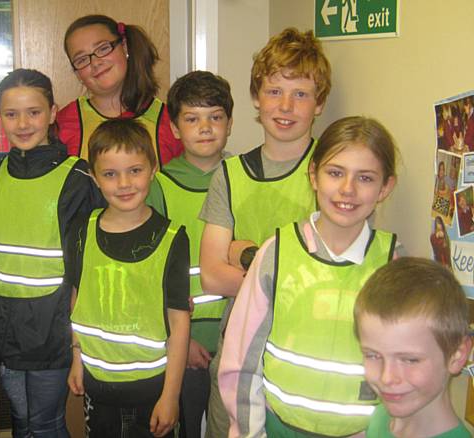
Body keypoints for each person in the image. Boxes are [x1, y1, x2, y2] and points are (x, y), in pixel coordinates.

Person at [219, 116, 402, 437]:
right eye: (335, 173)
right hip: (279, 429)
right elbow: (242, 360)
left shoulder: (391, 265)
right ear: (314, 175)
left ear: (385, 187)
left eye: (365, 178)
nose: (348, 189)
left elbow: (399, 368)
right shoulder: (276, 253)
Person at [198, 27, 332, 436]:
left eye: (301, 94)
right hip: (237, 351)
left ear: (319, 103)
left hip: (302, 354)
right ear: (256, 97)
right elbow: (210, 276)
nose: (286, 105)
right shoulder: (231, 174)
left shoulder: (333, 175)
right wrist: (280, 275)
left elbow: (328, 278)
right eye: (274, 91)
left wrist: (246, 255)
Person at [0, 69, 103, 438]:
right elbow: (6, 252)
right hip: (3, 324)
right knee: (22, 423)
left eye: (34, 112)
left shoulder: (77, 177)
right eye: (11, 114)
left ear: (53, 112)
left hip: (50, 326)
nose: (22, 123)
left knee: (44, 424)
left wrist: (79, 334)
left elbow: (91, 262)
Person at [65, 119, 190, 438]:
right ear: (94, 177)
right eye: (110, 174)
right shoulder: (82, 231)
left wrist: (171, 396)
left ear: (153, 168)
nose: (124, 183)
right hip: (98, 386)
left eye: (135, 170)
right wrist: (77, 358)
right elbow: (79, 299)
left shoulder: (172, 238)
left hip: (151, 391)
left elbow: (178, 321)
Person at [146, 70, 233, 438]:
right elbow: (150, 274)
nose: (206, 128)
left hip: (236, 335)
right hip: (185, 341)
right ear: (175, 128)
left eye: (215, 117)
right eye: (192, 119)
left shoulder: (241, 176)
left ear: (229, 123)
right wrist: (181, 340)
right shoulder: (159, 186)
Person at [354, 257, 472, 437]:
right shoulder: (382, 415)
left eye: (409, 360)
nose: (387, 378)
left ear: (457, 356)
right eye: (373, 355)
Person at [57, 14, 183, 165]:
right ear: (77, 73)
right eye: (82, 59)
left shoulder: (171, 122)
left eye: (103, 49)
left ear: (124, 46)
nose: (96, 62)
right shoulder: (62, 124)